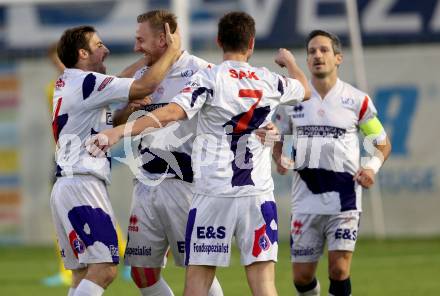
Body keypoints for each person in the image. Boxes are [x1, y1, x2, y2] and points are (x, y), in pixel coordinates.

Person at [89, 11, 311, 296]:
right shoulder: (267, 79)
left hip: (206, 192)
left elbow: (172, 113)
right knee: (263, 284)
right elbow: (302, 91)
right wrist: (291, 62)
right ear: (252, 43)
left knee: (197, 281)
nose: (136, 46)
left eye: (140, 40)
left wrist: (119, 133)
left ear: (219, 41)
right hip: (254, 193)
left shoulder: (206, 75)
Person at [50, 24, 180, 296]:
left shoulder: (71, 81)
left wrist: (124, 111)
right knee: (105, 268)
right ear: (82, 53)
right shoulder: (87, 82)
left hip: (67, 186)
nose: (106, 49)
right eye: (98, 46)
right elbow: (147, 84)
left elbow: (99, 119)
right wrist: (172, 51)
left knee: (82, 274)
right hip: (83, 185)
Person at [272, 30, 392, 296]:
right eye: (312, 51)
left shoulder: (356, 100)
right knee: (302, 278)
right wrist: (283, 156)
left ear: (338, 58)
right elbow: (283, 138)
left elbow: (382, 143)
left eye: (324, 50)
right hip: (305, 200)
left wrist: (370, 168)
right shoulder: (293, 100)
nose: (317, 55)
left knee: (339, 270)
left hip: (345, 199)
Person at [113, 10, 223, 296]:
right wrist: (128, 109)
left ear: (163, 39)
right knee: (141, 272)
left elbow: (232, 113)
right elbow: (116, 121)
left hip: (184, 185)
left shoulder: (201, 71)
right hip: (145, 183)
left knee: (197, 269)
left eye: (141, 40)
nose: (136, 47)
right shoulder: (142, 77)